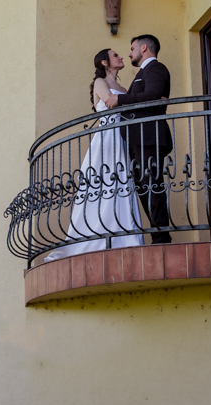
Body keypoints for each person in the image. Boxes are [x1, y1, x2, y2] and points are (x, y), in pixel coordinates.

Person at [45, 48, 144, 262]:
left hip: (123, 137)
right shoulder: (101, 82)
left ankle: (123, 236)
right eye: (115, 55)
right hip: (107, 138)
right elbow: (110, 102)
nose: (121, 57)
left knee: (122, 183)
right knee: (104, 183)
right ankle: (97, 236)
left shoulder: (124, 88)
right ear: (105, 62)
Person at [105, 34, 174, 244]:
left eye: (132, 48)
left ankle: (161, 237)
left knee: (151, 185)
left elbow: (152, 95)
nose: (129, 53)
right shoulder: (144, 72)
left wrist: (120, 100)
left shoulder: (155, 68)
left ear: (144, 48)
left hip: (148, 137)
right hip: (138, 138)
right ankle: (158, 234)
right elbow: (150, 97)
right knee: (144, 188)